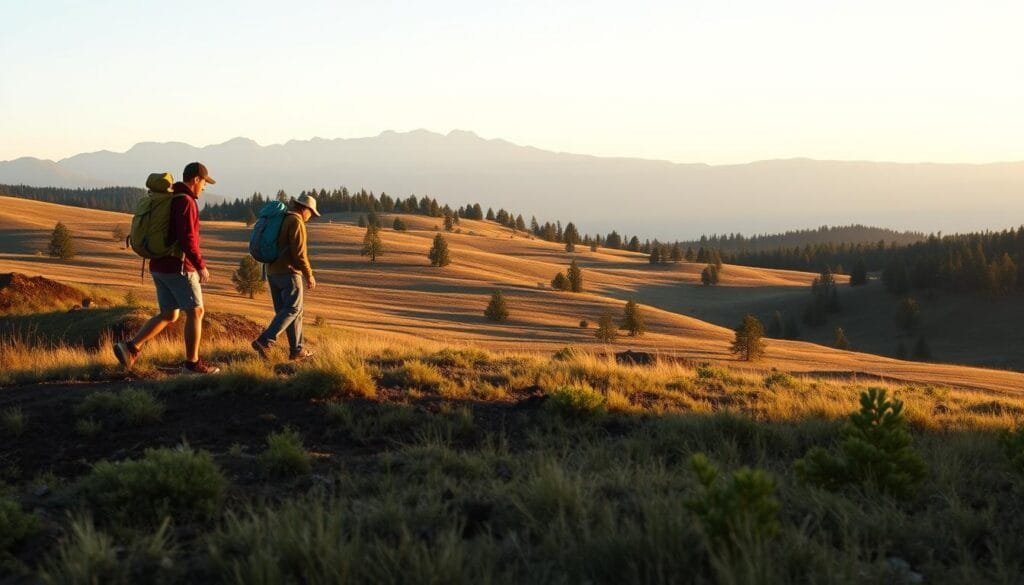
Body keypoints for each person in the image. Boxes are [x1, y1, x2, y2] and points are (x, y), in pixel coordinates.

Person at [114, 162, 221, 374]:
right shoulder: (186, 202)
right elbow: (188, 238)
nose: (204, 188)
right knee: (196, 312)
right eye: (204, 183)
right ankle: (192, 364)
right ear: (196, 179)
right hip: (178, 267)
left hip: (158, 266)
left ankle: (131, 347)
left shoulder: (169, 199)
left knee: (169, 314)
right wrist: (200, 266)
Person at [252, 194, 319, 360]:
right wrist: (309, 274)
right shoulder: (296, 221)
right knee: (294, 309)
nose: (310, 216)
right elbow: (300, 253)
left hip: (272, 272)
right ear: (305, 209)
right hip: (289, 273)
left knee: (288, 312)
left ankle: (297, 350)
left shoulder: (282, 219)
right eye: (311, 212)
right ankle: (265, 340)